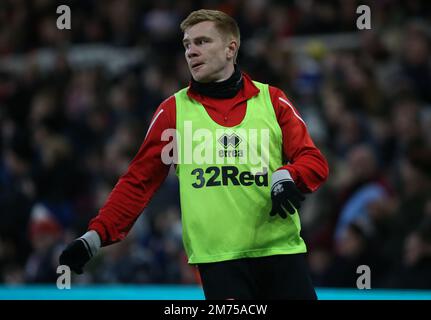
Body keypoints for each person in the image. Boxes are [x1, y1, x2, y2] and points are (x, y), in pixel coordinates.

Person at [59, 9, 329, 300]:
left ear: (230, 48)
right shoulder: (173, 112)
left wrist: (288, 174)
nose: (191, 51)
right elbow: (139, 181)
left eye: (202, 42)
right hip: (219, 264)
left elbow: (314, 161)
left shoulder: (272, 100)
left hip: (282, 254)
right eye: (187, 44)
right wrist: (96, 235)